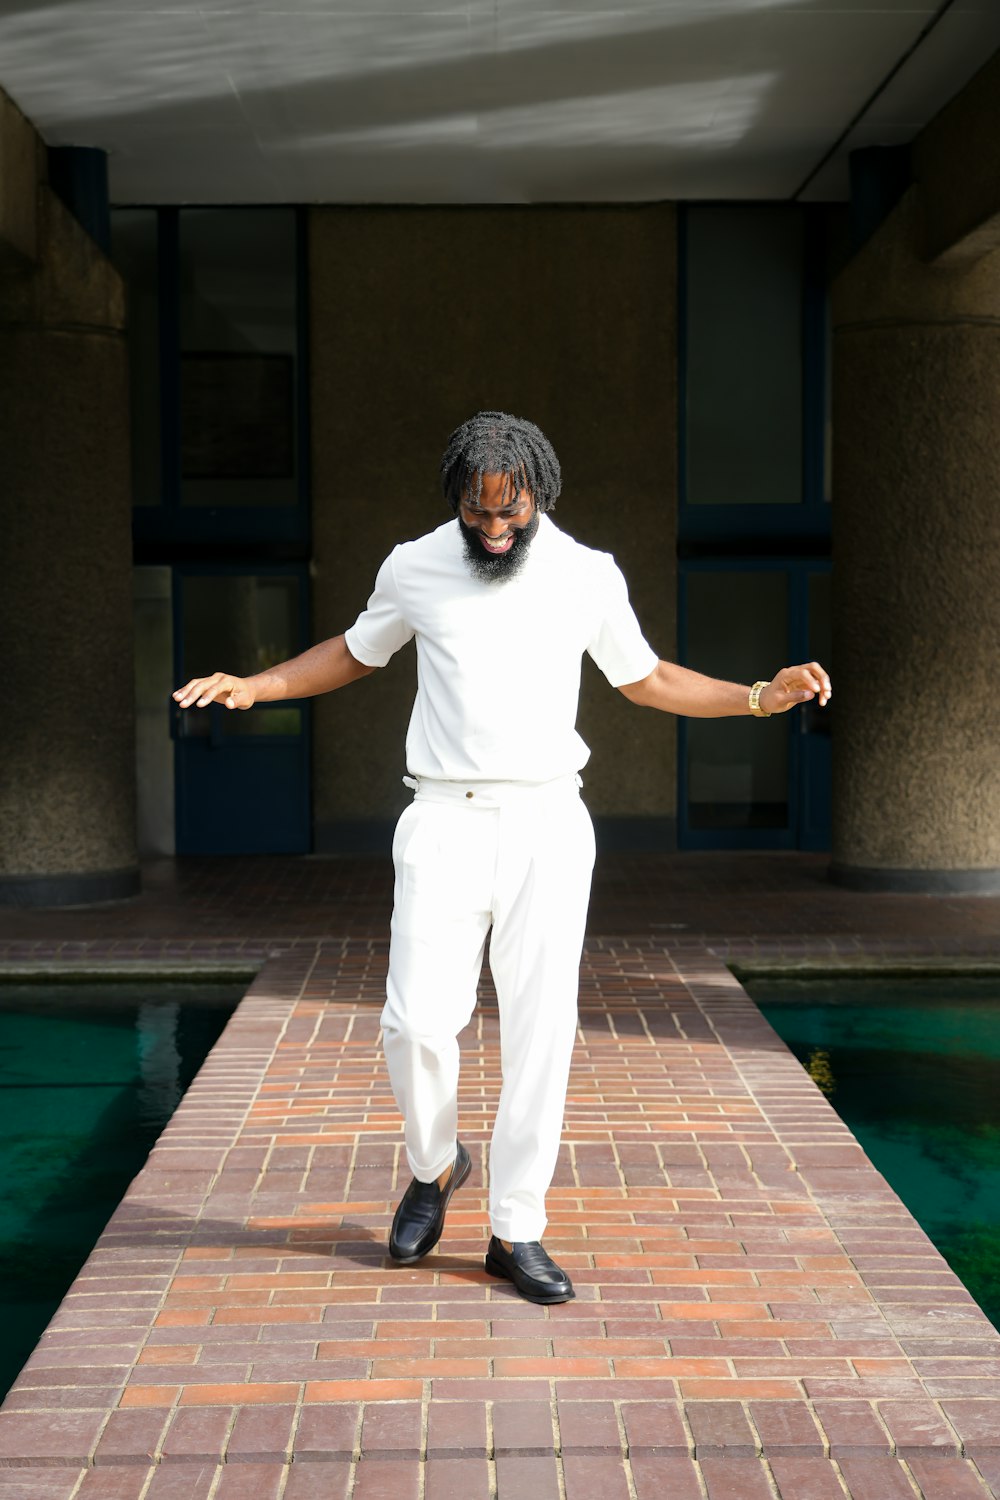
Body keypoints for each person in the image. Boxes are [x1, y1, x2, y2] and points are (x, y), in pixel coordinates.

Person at [174, 411, 831, 1305]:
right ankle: (436, 1166)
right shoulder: (414, 565)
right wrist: (258, 684)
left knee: (539, 1032)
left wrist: (760, 696)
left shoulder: (586, 574)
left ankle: (516, 1228)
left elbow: (646, 679)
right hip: (441, 819)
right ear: (456, 496)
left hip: (546, 825)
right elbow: (355, 653)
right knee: (413, 1022)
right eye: (478, 513)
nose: (493, 529)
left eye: (510, 513)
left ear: (539, 493)